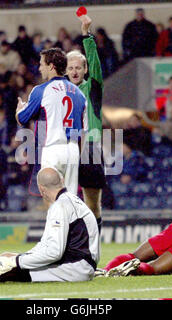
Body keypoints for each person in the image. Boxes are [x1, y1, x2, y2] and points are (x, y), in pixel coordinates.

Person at [16, 47, 87, 197]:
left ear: (51, 66)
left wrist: (19, 110)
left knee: (52, 197)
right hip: (73, 150)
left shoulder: (41, 90)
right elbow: (83, 133)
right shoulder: (79, 94)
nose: (40, 68)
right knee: (71, 198)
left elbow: (23, 119)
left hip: (52, 148)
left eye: (42, 64)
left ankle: (54, 222)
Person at [66, 14, 104, 228]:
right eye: (70, 68)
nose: (74, 71)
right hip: (68, 149)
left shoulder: (93, 88)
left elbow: (94, 60)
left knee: (93, 204)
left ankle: (94, 246)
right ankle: (66, 247)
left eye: (78, 67)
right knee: (64, 203)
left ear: (86, 69)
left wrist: (86, 34)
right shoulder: (60, 92)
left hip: (90, 148)